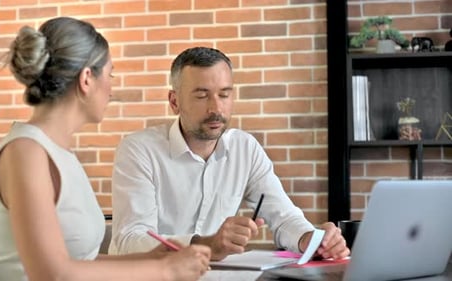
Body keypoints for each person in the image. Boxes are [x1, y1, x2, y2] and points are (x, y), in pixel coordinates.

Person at [0, 17, 210, 281]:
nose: (112, 89)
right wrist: (166, 270)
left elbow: (80, 262)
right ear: (87, 79)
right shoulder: (26, 153)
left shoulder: (58, 153)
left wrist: (153, 258)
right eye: (110, 74)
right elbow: (51, 274)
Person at [109, 46, 350, 261]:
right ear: (174, 102)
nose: (216, 108)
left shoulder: (245, 149)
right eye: (202, 95)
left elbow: (284, 217)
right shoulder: (139, 150)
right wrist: (206, 245)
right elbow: (130, 240)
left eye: (224, 94)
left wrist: (310, 240)